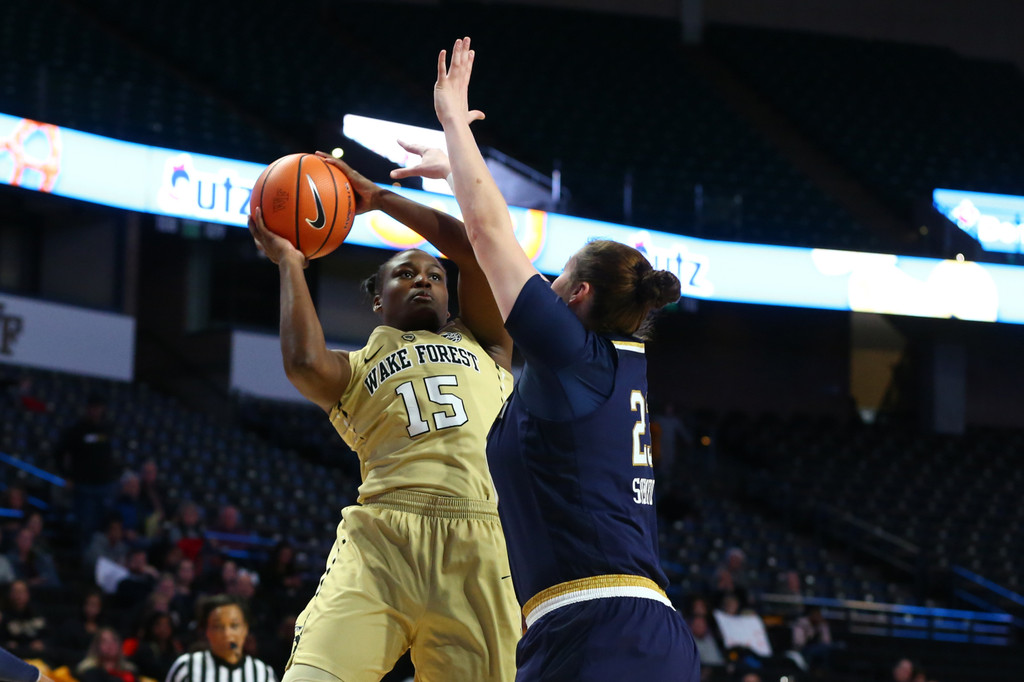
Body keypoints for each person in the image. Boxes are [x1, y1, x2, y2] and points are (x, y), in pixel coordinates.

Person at [431, 37, 697, 680]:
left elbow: (490, 235)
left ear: (577, 294)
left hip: (597, 630)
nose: (541, 284)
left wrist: (454, 122)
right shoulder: (613, 366)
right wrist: (454, 175)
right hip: (639, 633)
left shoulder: (573, 357)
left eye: (556, 276)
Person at [247, 150, 520, 682]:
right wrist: (290, 264)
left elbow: (472, 248)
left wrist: (378, 198)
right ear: (378, 300)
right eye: (405, 274)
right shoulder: (354, 368)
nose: (424, 280)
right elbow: (303, 364)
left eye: (435, 276)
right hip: (383, 540)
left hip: (482, 542)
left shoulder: (487, 343)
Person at [164, 595, 275, 682]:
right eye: (218, 626)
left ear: (245, 628)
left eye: (234, 625)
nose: (227, 634)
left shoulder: (262, 672)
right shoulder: (186, 667)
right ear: (206, 630)